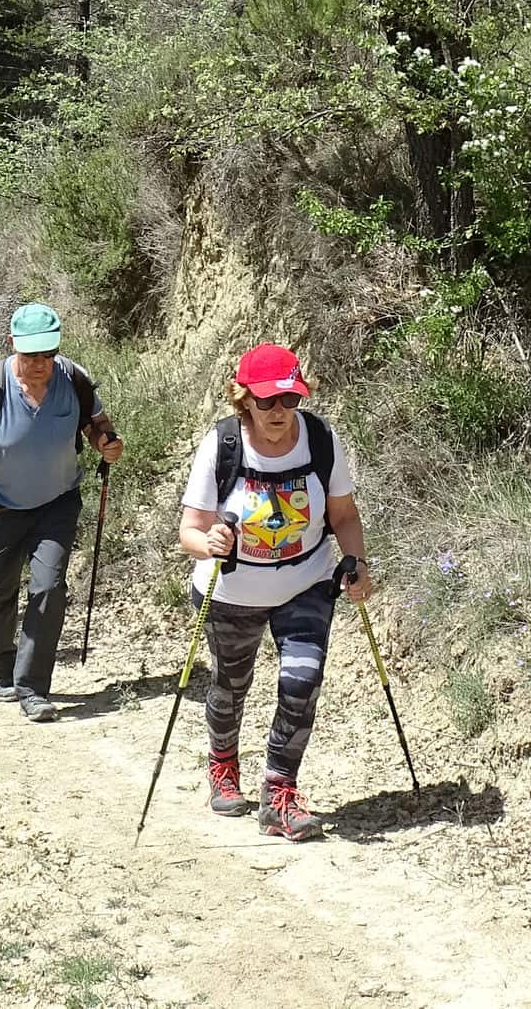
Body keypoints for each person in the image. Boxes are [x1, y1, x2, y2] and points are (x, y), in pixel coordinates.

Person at [175, 343, 369, 842]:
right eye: (266, 402)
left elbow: (343, 516)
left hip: (306, 582)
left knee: (303, 682)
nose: (279, 412)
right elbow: (190, 531)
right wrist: (210, 542)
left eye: (289, 400)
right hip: (231, 590)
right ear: (244, 401)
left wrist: (357, 563)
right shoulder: (221, 446)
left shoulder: (321, 439)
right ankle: (222, 766)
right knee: (230, 685)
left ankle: (279, 794)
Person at [0, 302, 123, 723]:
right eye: (32, 354)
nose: (40, 364)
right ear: (12, 345)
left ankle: (33, 686)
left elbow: (97, 423)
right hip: (0, 503)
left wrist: (107, 442)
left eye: (48, 354)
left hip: (58, 501)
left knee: (49, 586)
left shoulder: (74, 378)